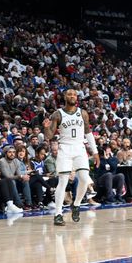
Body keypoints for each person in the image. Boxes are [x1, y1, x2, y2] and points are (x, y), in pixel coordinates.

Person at [43, 89, 100, 226]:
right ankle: (58, 214)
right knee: (62, 181)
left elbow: (88, 132)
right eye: (69, 94)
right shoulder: (58, 114)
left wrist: (95, 152)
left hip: (80, 148)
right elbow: (49, 136)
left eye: (74, 94)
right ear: (65, 97)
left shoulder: (83, 113)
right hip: (65, 148)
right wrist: (46, 127)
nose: (72, 96)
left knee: (85, 179)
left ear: (77, 97)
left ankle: (76, 204)